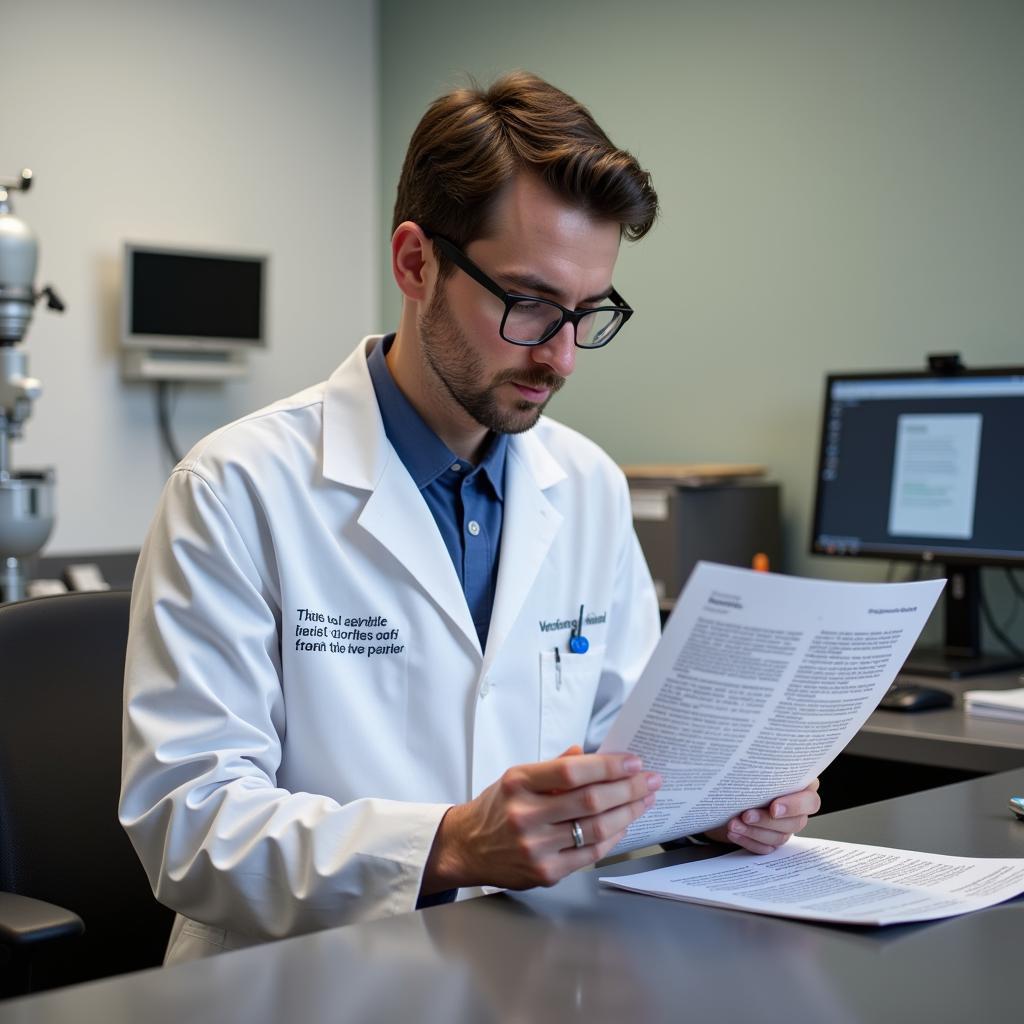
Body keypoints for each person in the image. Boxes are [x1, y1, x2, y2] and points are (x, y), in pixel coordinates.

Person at [119, 71, 820, 964]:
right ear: (416, 264)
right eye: (529, 304)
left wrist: (722, 806)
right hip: (298, 982)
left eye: (587, 312)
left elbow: (628, 753)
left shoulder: (590, 485)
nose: (562, 356)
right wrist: (448, 845)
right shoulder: (235, 486)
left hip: (535, 970)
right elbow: (188, 824)